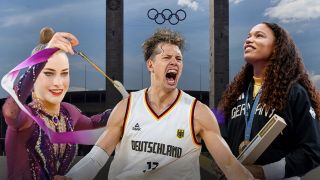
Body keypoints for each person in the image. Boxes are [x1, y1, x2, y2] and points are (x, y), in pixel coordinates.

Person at [55, 28, 254, 180]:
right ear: (150, 65)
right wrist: (73, 176)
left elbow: (229, 165)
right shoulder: (127, 107)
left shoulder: (198, 113)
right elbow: (97, 156)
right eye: (167, 57)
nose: (175, 62)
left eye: (179, 58)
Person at [2, 27, 111, 179]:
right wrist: (46, 53)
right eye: (48, 73)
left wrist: (130, 104)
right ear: (33, 77)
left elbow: (94, 124)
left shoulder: (68, 112)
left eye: (64, 73)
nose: (58, 83)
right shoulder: (25, 118)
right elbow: (10, 112)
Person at [218, 22, 320, 179]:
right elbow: (218, 132)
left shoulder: (294, 92)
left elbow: (312, 151)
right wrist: (221, 161)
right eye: (248, 36)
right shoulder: (233, 94)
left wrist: (264, 172)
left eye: (259, 36)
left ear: (277, 47)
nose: (249, 40)